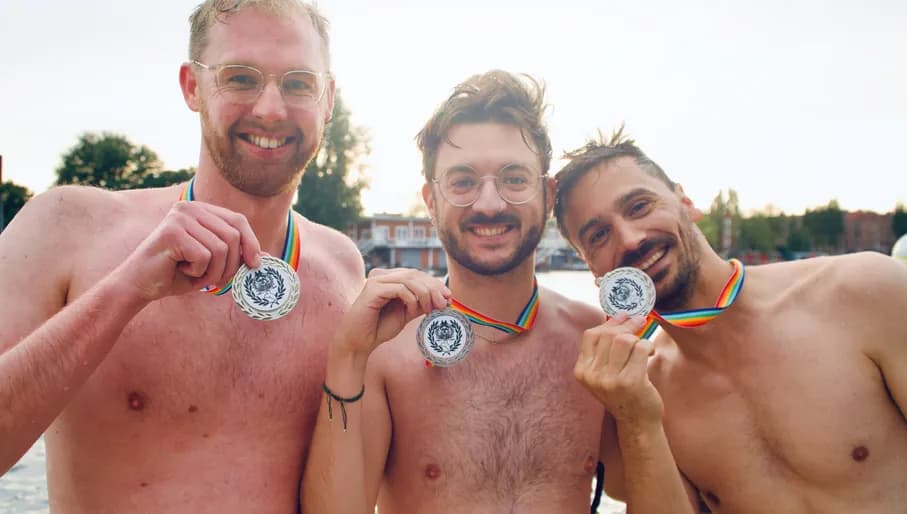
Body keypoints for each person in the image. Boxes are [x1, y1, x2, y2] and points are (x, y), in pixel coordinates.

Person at [0, 1, 364, 513]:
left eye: (300, 83)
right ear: (192, 86)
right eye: (240, 78)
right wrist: (125, 291)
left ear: (328, 99)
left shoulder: (344, 266)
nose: (271, 109)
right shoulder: (66, 226)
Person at [302, 70, 618, 514]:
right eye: (463, 182)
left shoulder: (595, 342)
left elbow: (644, 488)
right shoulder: (385, 350)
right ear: (431, 201)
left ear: (548, 195)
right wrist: (346, 357)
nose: (490, 204)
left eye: (514, 179)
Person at [553, 129, 907, 513]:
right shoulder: (643, 391)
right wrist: (636, 420)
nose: (631, 239)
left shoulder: (865, 293)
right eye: (599, 235)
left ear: (685, 202)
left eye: (639, 206)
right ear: (591, 267)